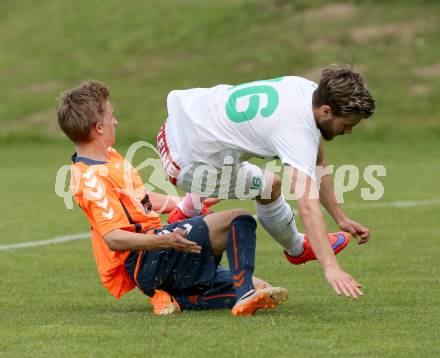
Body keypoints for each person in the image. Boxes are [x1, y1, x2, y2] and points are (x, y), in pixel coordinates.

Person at [56, 80, 288, 316]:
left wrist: (186, 202)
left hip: (157, 247)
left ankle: (180, 298)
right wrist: (164, 242)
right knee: (239, 219)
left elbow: (142, 200)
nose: (115, 121)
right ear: (98, 127)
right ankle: (245, 295)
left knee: (264, 287)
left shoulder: (109, 157)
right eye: (111, 116)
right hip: (142, 260)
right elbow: (114, 238)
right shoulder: (91, 178)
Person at [157, 66, 375, 299]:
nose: (349, 131)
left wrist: (340, 217)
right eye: (346, 124)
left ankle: (189, 210)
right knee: (268, 187)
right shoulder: (296, 130)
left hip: (178, 127)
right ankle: (297, 249)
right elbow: (308, 207)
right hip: (187, 162)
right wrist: (331, 268)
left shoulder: (308, 90)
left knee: (269, 184)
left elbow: (318, 159)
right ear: (325, 111)